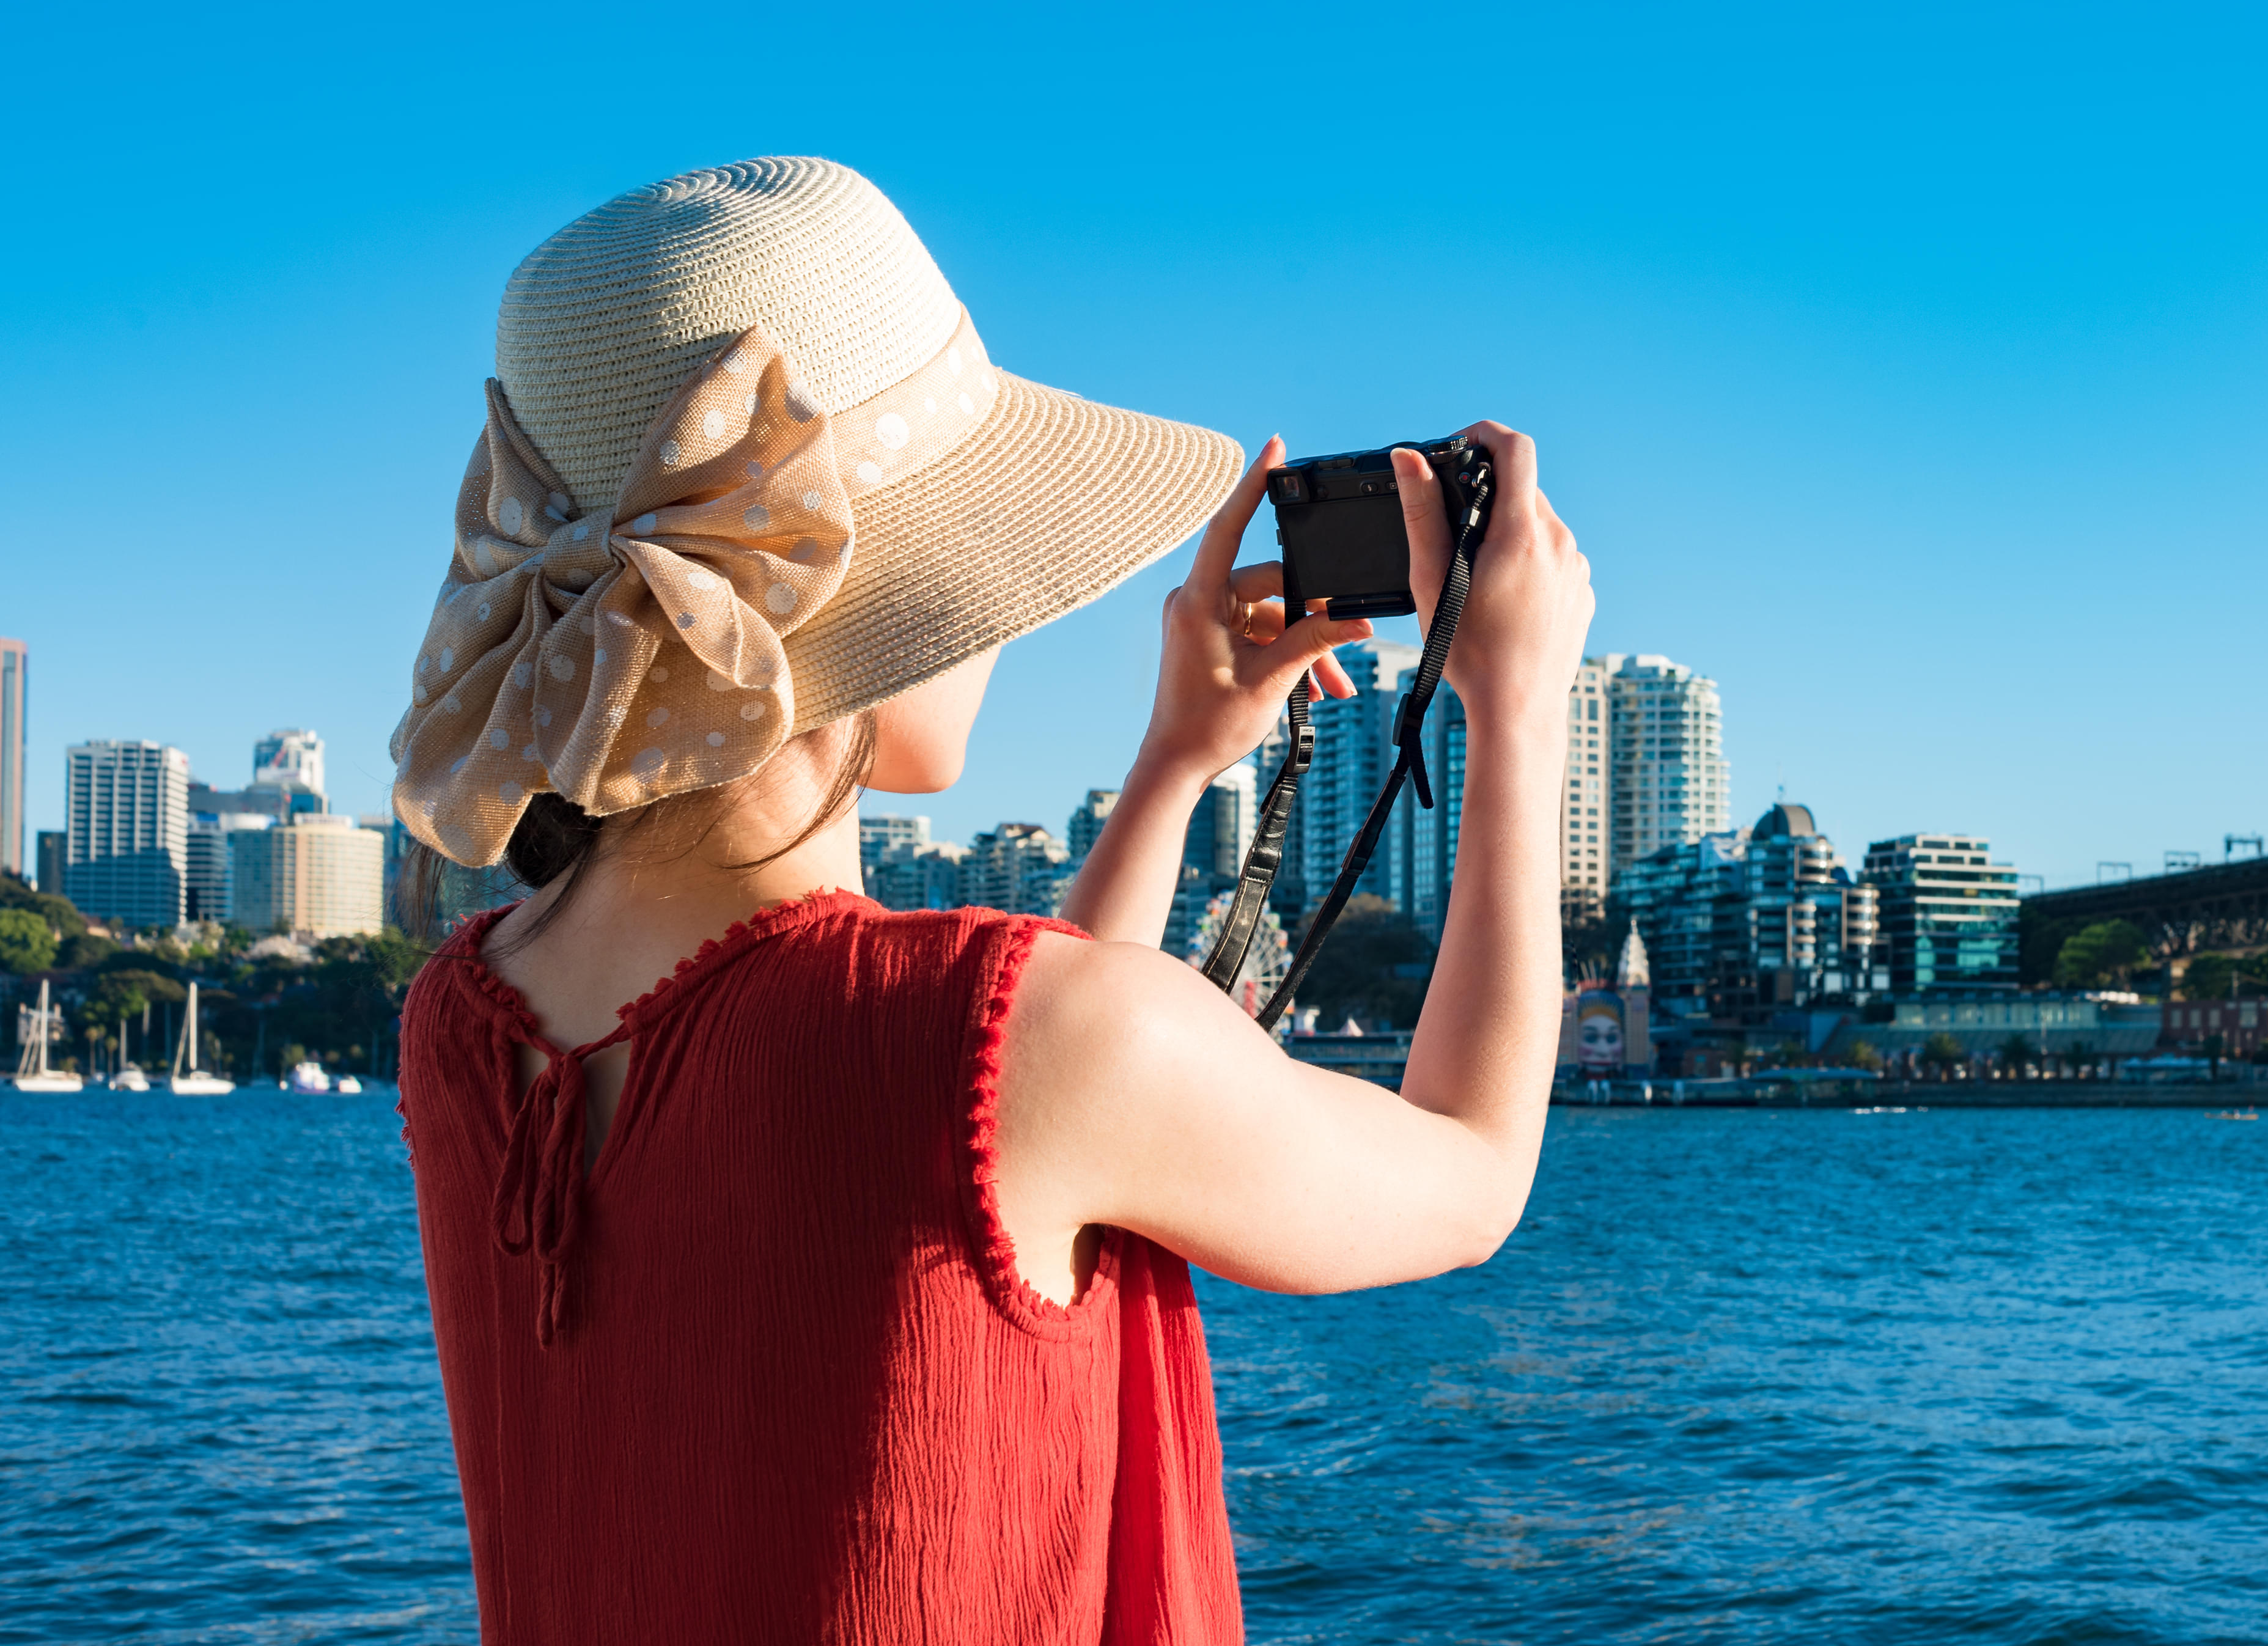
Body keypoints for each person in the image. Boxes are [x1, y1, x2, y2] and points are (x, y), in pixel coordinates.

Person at [389, 156, 1592, 1642]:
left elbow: (983, 1099)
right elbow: (1468, 1174)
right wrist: (1518, 706)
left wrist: (1174, 763)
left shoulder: (453, 1019)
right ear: (869, 602)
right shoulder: (1022, 1030)